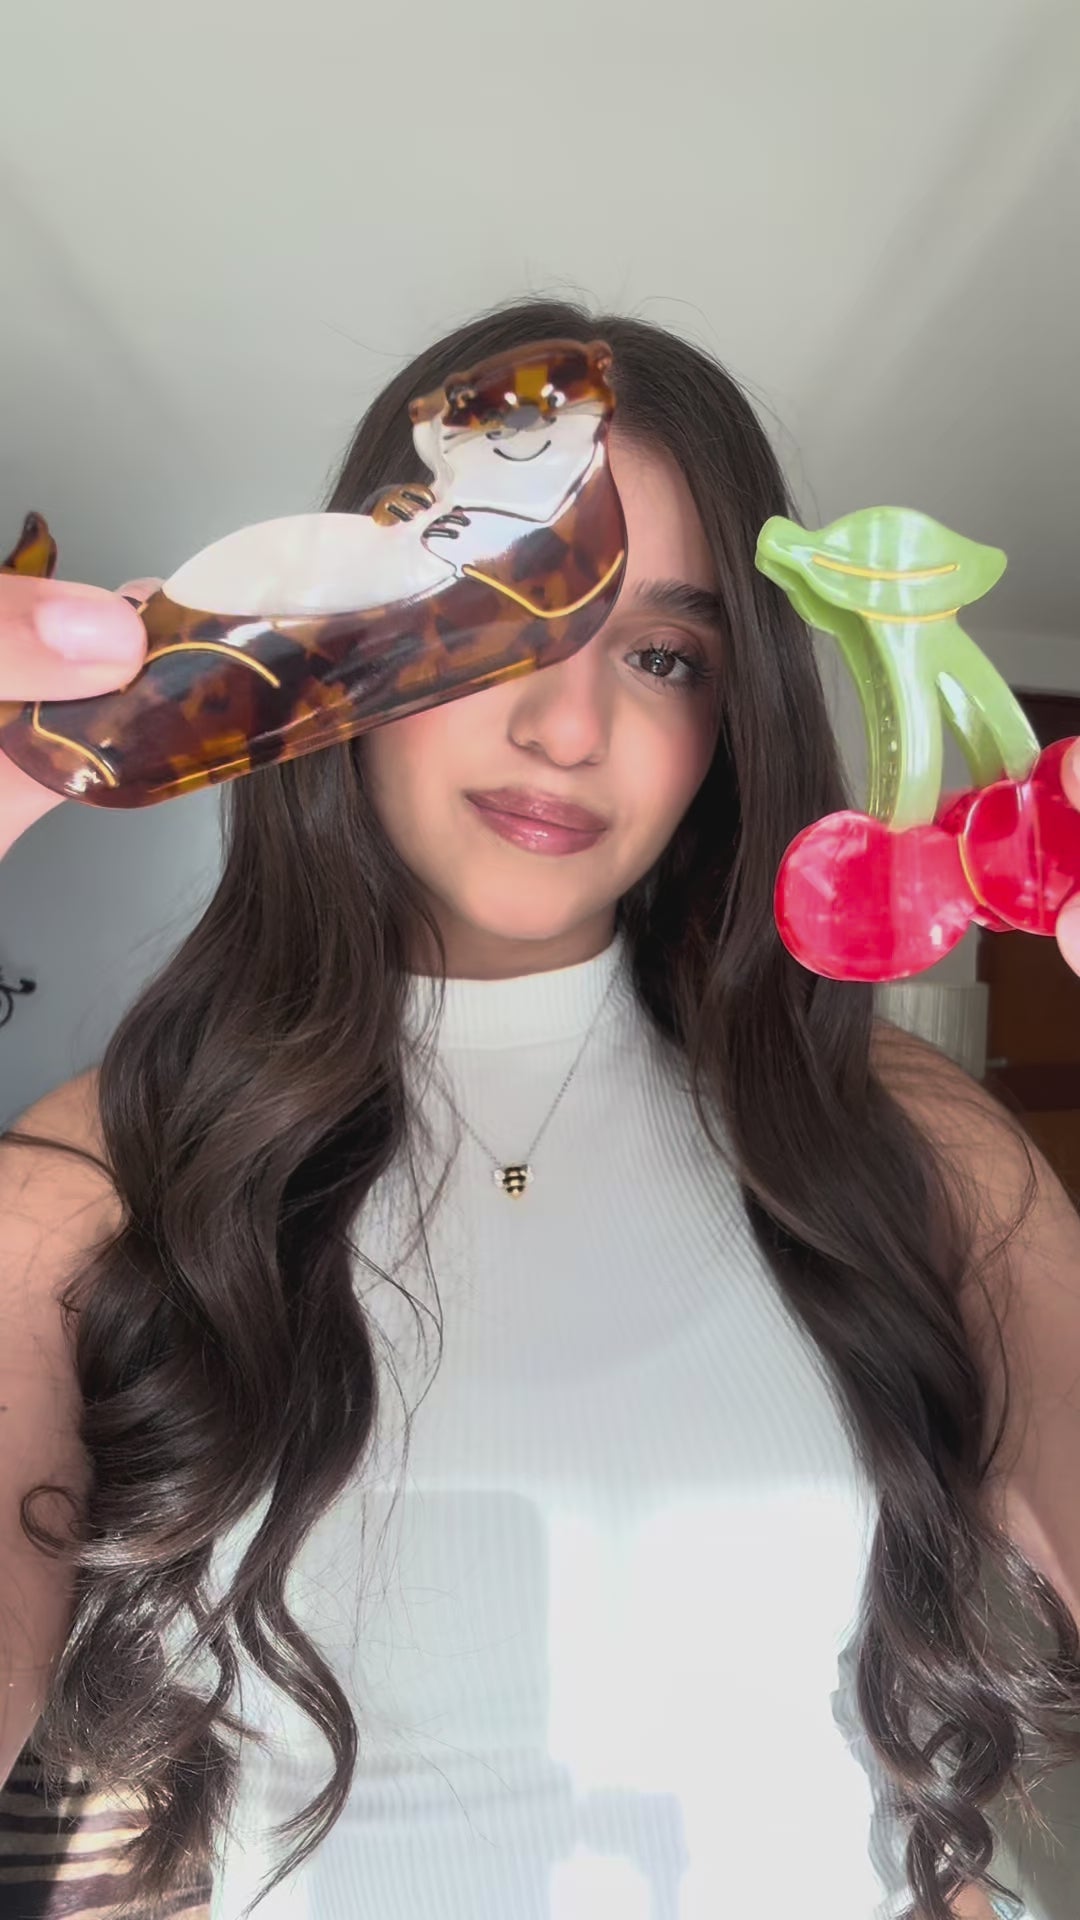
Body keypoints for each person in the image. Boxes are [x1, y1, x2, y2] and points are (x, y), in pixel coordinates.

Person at [2, 299, 1079, 1920]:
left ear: (731, 724)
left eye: (664, 657)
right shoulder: (102, 1170)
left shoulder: (899, 1135)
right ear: (339, 635)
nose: (567, 728)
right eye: (488, 617)